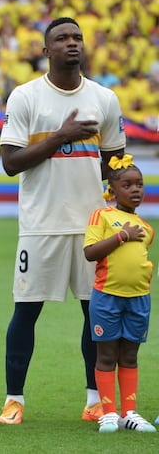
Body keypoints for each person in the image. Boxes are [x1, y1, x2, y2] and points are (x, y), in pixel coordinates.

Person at [0, 17, 126, 425]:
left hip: (93, 227)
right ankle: (14, 400)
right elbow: (10, 163)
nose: (71, 43)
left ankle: (95, 401)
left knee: (96, 315)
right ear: (45, 49)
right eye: (61, 38)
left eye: (77, 37)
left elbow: (114, 164)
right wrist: (61, 136)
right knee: (26, 311)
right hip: (42, 224)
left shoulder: (104, 99)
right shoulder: (25, 96)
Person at [83, 155, 155, 433]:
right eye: (127, 185)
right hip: (107, 297)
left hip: (139, 299)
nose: (135, 189)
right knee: (106, 355)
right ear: (112, 191)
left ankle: (129, 413)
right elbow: (90, 253)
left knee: (130, 356)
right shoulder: (102, 216)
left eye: (139, 184)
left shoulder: (147, 229)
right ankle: (108, 412)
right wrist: (121, 236)